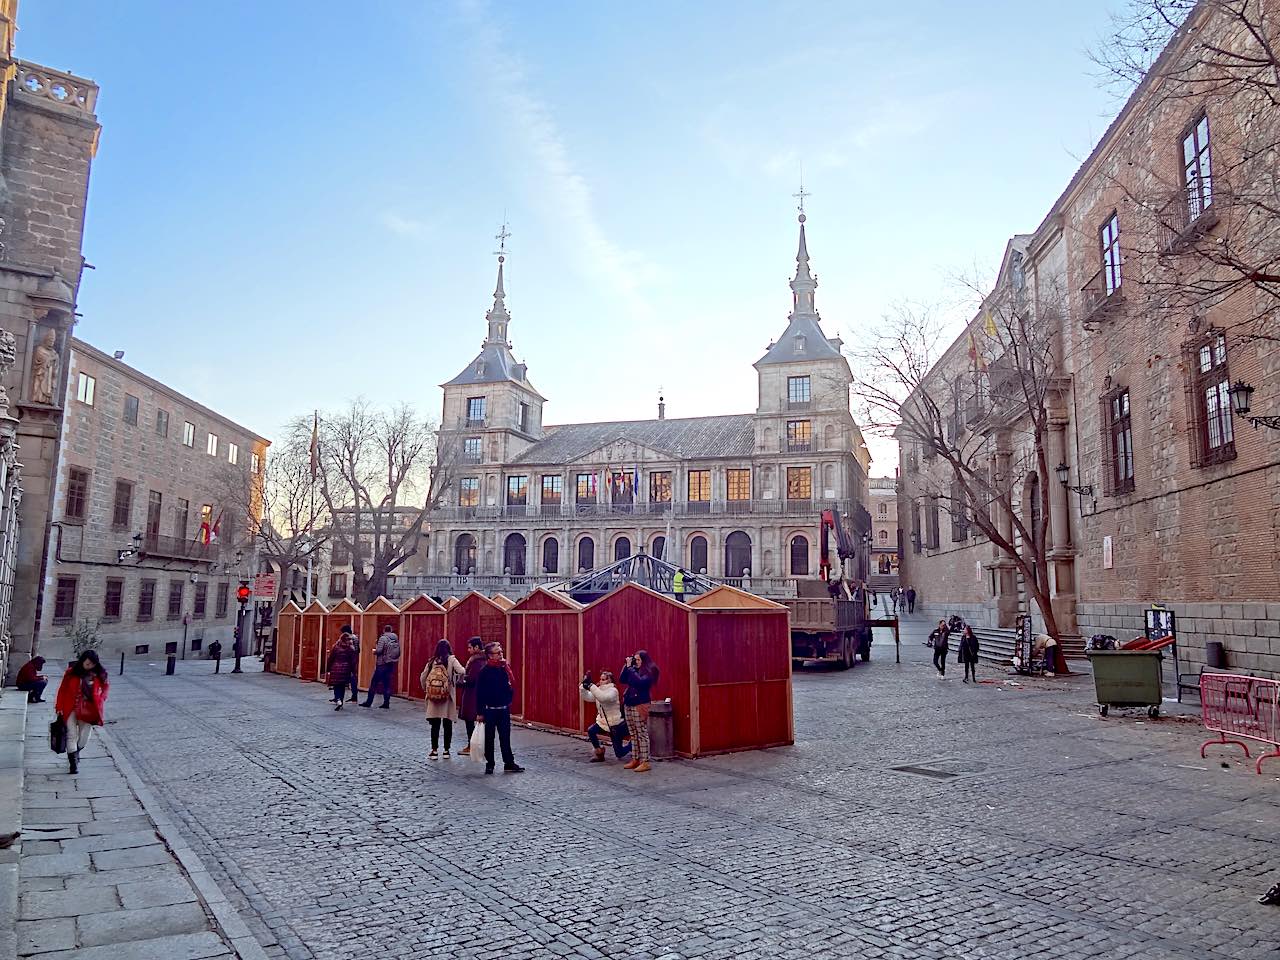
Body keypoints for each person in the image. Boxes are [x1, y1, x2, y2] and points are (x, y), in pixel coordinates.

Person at [53, 650, 109, 774]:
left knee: (84, 736)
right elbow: (62, 690)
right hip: (70, 707)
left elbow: (105, 687)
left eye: (92, 664)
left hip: (88, 709)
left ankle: (77, 751)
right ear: (82, 661)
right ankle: (73, 764)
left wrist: (101, 698)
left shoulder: (99, 674)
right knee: (71, 734)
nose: (89, 666)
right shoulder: (71, 673)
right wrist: (59, 707)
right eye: (87, 663)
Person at [475, 642, 523, 774]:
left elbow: (511, 686)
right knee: (489, 739)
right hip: (489, 710)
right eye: (498, 652)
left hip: (503, 709)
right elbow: (479, 693)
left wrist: (508, 699)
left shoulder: (504, 668)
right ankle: (490, 764)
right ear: (490, 655)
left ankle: (509, 763)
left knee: (505, 738)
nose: (501, 654)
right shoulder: (484, 672)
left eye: (501, 652)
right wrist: (480, 712)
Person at [420, 639, 465, 758]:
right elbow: (462, 670)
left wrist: (427, 689)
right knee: (447, 725)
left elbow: (423, 676)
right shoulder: (451, 660)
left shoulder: (432, 661)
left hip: (434, 697)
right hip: (447, 696)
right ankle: (446, 751)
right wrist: (454, 680)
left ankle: (434, 751)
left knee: (435, 725)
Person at [619, 650, 659, 773]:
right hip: (630, 703)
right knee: (633, 734)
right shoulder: (633, 669)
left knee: (641, 733)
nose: (635, 662)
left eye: (638, 659)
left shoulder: (649, 672)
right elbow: (622, 679)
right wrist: (627, 666)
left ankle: (645, 761)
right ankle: (635, 758)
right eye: (634, 659)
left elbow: (640, 683)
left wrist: (631, 668)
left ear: (644, 660)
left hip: (640, 705)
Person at [580, 670, 630, 762]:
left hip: (614, 723)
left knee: (620, 754)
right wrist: (583, 686)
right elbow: (587, 697)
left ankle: (633, 745)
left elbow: (603, 698)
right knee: (591, 731)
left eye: (603, 679)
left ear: (609, 680)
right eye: (600, 679)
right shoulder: (598, 690)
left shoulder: (613, 691)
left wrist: (591, 686)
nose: (601, 681)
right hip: (603, 722)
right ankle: (599, 753)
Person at [457, 637, 486, 756]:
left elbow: (472, 678)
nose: (468, 650)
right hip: (475, 694)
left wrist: (462, 680)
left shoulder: (477, 662)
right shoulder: (481, 660)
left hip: (472, 695)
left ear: (476, 647)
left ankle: (472, 746)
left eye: (470, 647)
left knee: (470, 721)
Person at [362, 624, 400, 709]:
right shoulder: (395, 638)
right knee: (387, 684)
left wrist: (374, 651)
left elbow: (379, 651)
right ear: (391, 630)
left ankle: (368, 702)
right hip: (391, 662)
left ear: (384, 630)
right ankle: (386, 703)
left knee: (373, 683)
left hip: (382, 664)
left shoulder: (383, 638)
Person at [325, 633, 358, 710]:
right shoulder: (350, 649)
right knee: (342, 686)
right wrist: (353, 671)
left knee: (336, 685)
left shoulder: (335, 647)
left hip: (335, 668)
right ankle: (341, 700)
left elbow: (331, 658)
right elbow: (353, 661)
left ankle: (338, 699)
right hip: (346, 669)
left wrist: (328, 669)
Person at [342, 625, 361, 702]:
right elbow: (358, 649)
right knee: (353, 676)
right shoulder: (356, 637)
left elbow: (347, 649)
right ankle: (354, 694)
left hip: (349, 659)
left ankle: (351, 695)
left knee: (348, 677)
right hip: (355, 658)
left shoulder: (349, 638)